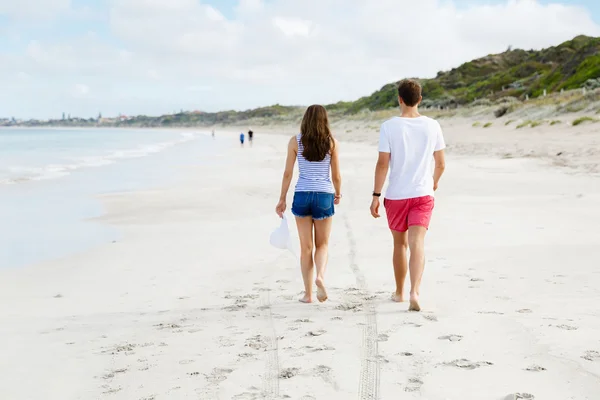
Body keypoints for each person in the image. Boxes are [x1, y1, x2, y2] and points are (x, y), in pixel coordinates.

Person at [370, 79, 446, 312]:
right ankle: (415, 291)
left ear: (399, 99)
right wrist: (432, 183)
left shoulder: (389, 127)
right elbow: (441, 164)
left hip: (396, 195)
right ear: (420, 99)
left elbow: (383, 164)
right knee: (418, 243)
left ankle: (400, 292)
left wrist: (375, 195)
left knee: (400, 244)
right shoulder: (433, 125)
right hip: (423, 194)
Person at [276, 105, 342, 304]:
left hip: (302, 194)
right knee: (322, 244)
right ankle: (320, 276)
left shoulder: (295, 141)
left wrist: (282, 198)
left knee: (306, 248)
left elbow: (288, 173)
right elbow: (336, 175)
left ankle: (308, 294)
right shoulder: (331, 143)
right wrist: (338, 193)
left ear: (305, 120)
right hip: (324, 195)